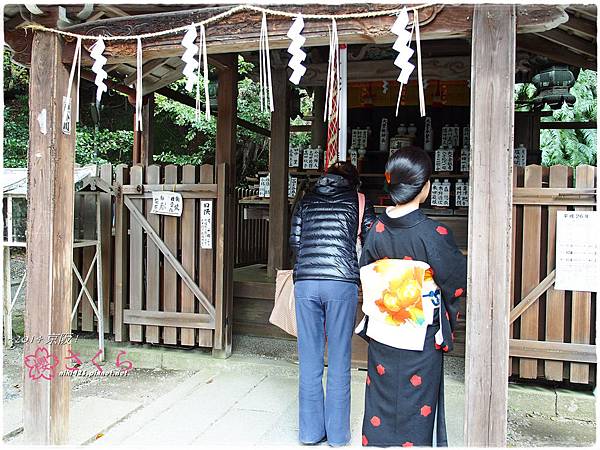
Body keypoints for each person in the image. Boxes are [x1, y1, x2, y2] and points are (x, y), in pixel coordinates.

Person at [356, 147, 467, 447]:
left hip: (383, 333)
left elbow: (366, 272)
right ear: (424, 187)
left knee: (380, 398)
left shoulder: (377, 230)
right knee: (418, 404)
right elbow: (455, 283)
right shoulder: (434, 233)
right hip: (421, 336)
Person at [289, 161, 376, 447]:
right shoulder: (360, 201)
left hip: (306, 282)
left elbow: (296, 242)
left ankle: (310, 433)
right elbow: (372, 242)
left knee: (309, 358)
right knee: (339, 359)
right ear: (354, 182)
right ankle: (338, 436)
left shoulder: (307, 200)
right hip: (341, 283)